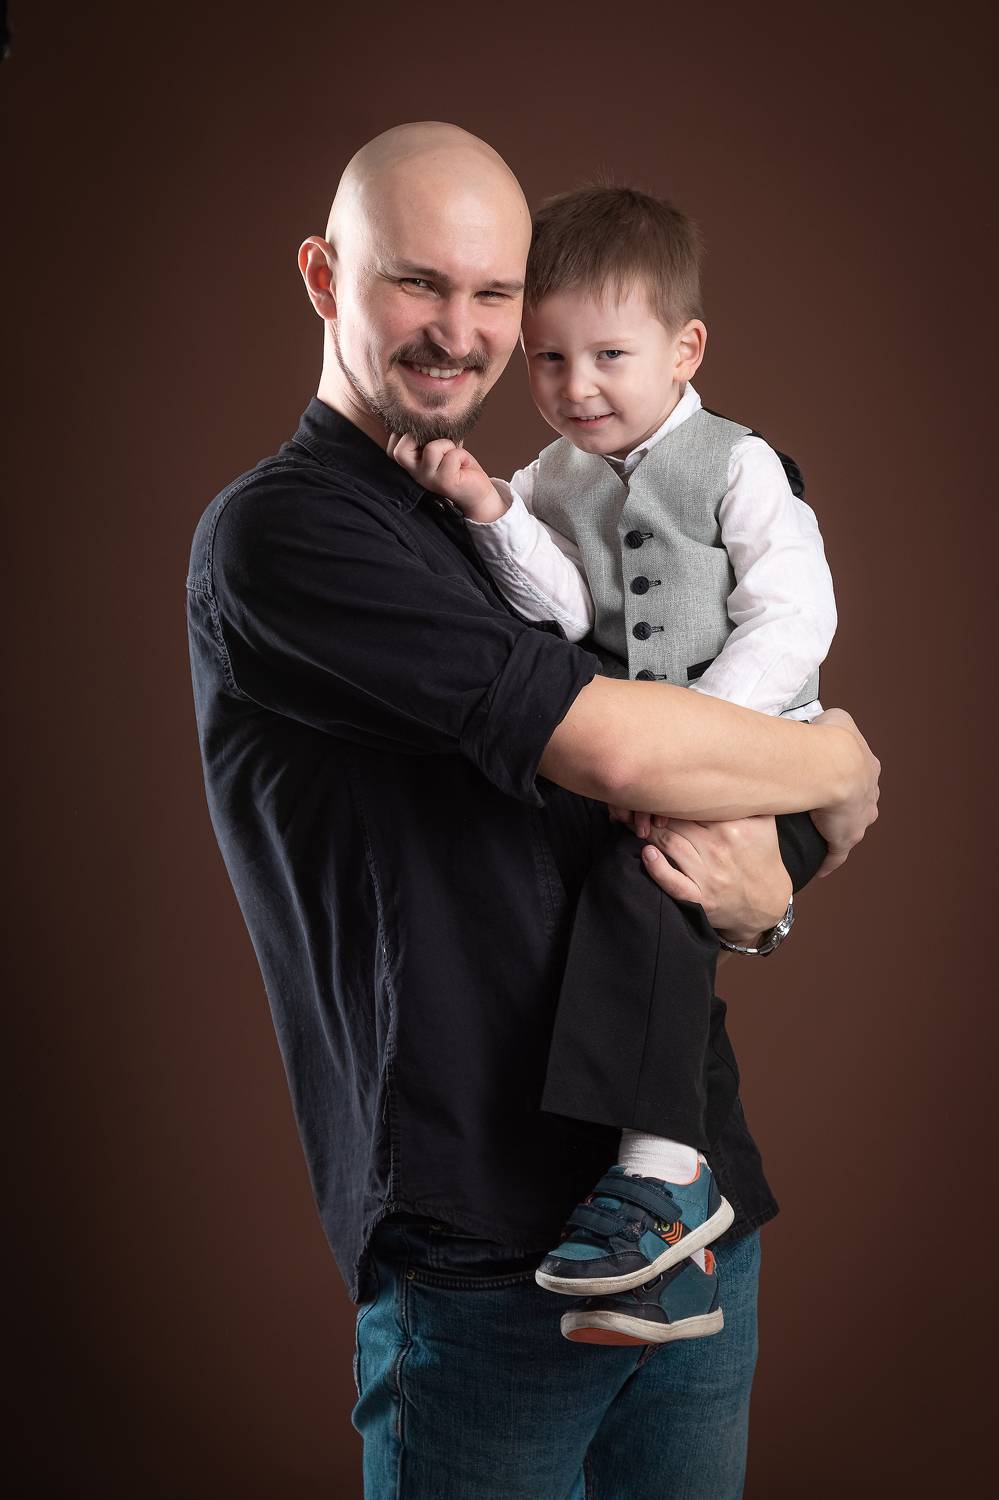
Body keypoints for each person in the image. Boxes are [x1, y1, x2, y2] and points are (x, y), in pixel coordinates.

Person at [186, 122, 879, 1499]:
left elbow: (636, 835)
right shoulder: (286, 534)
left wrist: (766, 906)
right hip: (488, 1256)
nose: (462, 332)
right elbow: (619, 754)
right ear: (324, 277)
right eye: (417, 283)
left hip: (692, 1215)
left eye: (493, 292)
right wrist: (840, 768)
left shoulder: (500, 515)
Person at [389, 184, 838, 1348]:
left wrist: (700, 744)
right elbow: (559, 603)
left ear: (686, 351)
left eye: (609, 357)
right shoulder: (555, 475)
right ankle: (670, 1258)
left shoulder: (738, 466)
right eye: (548, 359)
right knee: (629, 908)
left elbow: (794, 616)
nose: (575, 386)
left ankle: (662, 1176)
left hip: (763, 765)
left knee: (643, 896)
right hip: (643, 782)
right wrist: (491, 508)